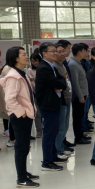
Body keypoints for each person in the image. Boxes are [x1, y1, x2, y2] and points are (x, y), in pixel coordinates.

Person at [1, 47, 40, 188]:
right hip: (20, 116)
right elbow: (10, 99)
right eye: (23, 54)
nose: (26, 56)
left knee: (24, 146)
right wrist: (22, 113)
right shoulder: (13, 76)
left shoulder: (21, 73)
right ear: (16, 58)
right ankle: (21, 179)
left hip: (25, 114)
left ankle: (23, 172)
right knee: (21, 147)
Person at [35, 42, 68, 172]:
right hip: (48, 104)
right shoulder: (43, 67)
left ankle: (53, 156)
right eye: (53, 51)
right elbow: (57, 82)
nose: (56, 53)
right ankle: (47, 162)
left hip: (54, 103)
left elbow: (62, 81)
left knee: (54, 131)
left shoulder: (51, 66)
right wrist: (59, 85)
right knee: (49, 133)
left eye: (56, 51)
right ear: (44, 53)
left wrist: (60, 85)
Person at [53, 43, 75, 159]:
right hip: (61, 100)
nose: (63, 54)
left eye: (63, 51)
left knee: (65, 126)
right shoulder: (55, 66)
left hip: (67, 98)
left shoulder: (63, 65)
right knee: (61, 127)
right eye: (59, 52)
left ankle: (61, 147)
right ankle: (58, 150)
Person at [69, 43, 92, 145]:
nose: (87, 53)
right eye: (85, 51)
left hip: (83, 95)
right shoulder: (73, 64)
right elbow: (75, 82)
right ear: (79, 52)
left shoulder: (78, 63)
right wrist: (80, 96)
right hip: (79, 96)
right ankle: (78, 137)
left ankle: (80, 134)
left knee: (81, 115)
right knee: (77, 117)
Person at [27, 53, 43, 138]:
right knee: (37, 113)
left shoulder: (43, 68)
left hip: (45, 93)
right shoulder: (30, 70)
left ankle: (44, 127)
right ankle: (39, 130)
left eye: (36, 61)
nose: (34, 63)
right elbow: (31, 82)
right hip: (36, 94)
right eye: (32, 61)